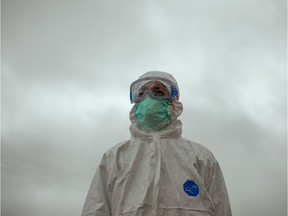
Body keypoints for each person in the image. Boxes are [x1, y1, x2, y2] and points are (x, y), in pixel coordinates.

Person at [81, 71, 232, 216]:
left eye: (158, 92)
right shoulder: (115, 157)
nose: (148, 98)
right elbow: (95, 209)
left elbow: (222, 209)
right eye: (141, 94)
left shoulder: (201, 157)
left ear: (174, 101)